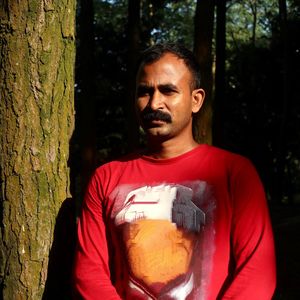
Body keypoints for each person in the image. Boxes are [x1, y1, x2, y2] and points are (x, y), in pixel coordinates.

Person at [73, 43, 276, 300]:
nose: (154, 103)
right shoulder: (106, 178)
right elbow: (89, 272)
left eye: (168, 91)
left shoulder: (235, 173)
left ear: (196, 100)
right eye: (144, 92)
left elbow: (258, 271)